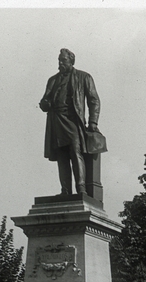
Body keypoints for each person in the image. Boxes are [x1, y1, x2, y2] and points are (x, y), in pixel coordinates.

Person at [39, 48, 103, 198]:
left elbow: (94, 100)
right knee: (61, 156)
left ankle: (81, 188)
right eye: (59, 60)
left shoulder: (83, 77)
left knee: (76, 152)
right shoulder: (52, 80)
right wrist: (45, 103)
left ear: (71, 61)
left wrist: (93, 122)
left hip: (73, 121)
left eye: (64, 60)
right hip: (56, 121)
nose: (60, 63)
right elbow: (45, 99)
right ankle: (65, 190)